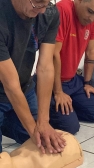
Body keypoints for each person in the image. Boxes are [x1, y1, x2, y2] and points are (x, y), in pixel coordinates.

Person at [0, 0, 66, 154]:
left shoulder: (49, 12)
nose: (43, 10)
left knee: (48, 141)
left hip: (24, 89)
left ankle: (8, 123)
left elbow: (45, 68)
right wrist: (33, 130)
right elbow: (10, 85)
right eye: (38, 3)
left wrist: (43, 121)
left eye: (47, 2)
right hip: (7, 88)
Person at [50, 0, 94, 134]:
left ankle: (68, 111)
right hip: (54, 81)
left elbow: (91, 51)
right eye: (90, 12)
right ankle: (50, 107)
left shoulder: (93, 20)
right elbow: (53, 53)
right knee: (71, 127)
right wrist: (58, 92)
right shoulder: (63, 9)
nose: (92, 19)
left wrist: (87, 83)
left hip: (73, 80)